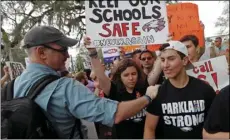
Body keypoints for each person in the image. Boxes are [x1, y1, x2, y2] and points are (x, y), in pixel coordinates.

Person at [14, 25, 159, 139]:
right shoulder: (65, 87)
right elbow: (116, 114)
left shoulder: (13, 85)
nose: (67, 55)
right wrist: (148, 98)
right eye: (63, 49)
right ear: (41, 53)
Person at [84, 37, 158, 139]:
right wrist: (93, 53)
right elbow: (100, 75)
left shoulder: (143, 88)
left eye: (133, 74)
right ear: (120, 77)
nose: (131, 78)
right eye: (126, 75)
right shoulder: (114, 91)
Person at [144, 41, 216, 139]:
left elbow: (215, 126)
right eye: (162, 60)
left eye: (171, 59)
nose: (165, 65)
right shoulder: (157, 92)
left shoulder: (205, 89)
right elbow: (149, 128)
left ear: (184, 60)